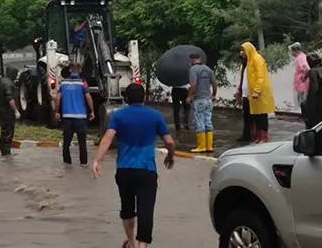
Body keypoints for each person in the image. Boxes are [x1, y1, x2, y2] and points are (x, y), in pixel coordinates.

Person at [92, 83, 176, 248]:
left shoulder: (118, 116)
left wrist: (97, 160)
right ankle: (142, 246)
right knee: (146, 211)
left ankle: (130, 241)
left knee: (127, 208)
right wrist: (171, 156)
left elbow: (107, 138)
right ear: (145, 98)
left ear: (126, 99)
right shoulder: (155, 116)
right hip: (147, 171)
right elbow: (169, 141)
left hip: (124, 170)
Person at [55, 63, 95, 165]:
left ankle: (67, 164)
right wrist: (92, 111)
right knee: (82, 143)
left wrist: (57, 112)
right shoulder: (82, 83)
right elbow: (88, 97)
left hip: (67, 118)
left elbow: (58, 98)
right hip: (81, 118)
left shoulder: (63, 83)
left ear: (69, 70)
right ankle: (84, 164)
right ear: (80, 70)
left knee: (66, 143)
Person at [241, 42, 276, 143]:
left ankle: (263, 137)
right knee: (255, 115)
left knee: (261, 116)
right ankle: (258, 137)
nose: (242, 52)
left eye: (244, 50)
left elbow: (260, 76)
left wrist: (257, 90)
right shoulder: (249, 61)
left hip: (259, 94)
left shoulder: (257, 59)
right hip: (251, 94)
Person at [186, 53, 217, 153]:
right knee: (208, 122)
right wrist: (214, 95)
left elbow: (193, 85)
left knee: (200, 122)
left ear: (192, 60)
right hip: (208, 100)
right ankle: (209, 146)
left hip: (199, 99)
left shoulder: (193, 70)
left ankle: (201, 146)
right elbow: (215, 83)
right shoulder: (208, 69)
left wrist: (189, 96)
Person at [0, 72, 20, 156]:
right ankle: (6, 152)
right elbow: (10, 99)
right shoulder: (8, 84)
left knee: (5, 131)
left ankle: (5, 151)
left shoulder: (3, 81)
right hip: (7, 112)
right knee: (8, 131)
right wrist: (16, 111)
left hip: (2, 110)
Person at [289, 42, 310, 127]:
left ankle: (305, 116)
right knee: (302, 100)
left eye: (292, 52)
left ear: (295, 51)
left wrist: (303, 77)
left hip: (302, 83)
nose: (291, 53)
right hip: (301, 82)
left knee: (303, 100)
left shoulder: (300, 58)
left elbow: (306, 68)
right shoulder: (301, 56)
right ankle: (304, 115)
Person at [235, 54, 254, 142]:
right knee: (246, 116)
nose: (243, 61)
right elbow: (242, 80)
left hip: (251, 95)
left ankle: (250, 135)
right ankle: (246, 135)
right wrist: (239, 89)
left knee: (251, 116)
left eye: (244, 59)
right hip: (245, 94)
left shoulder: (251, 67)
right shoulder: (243, 68)